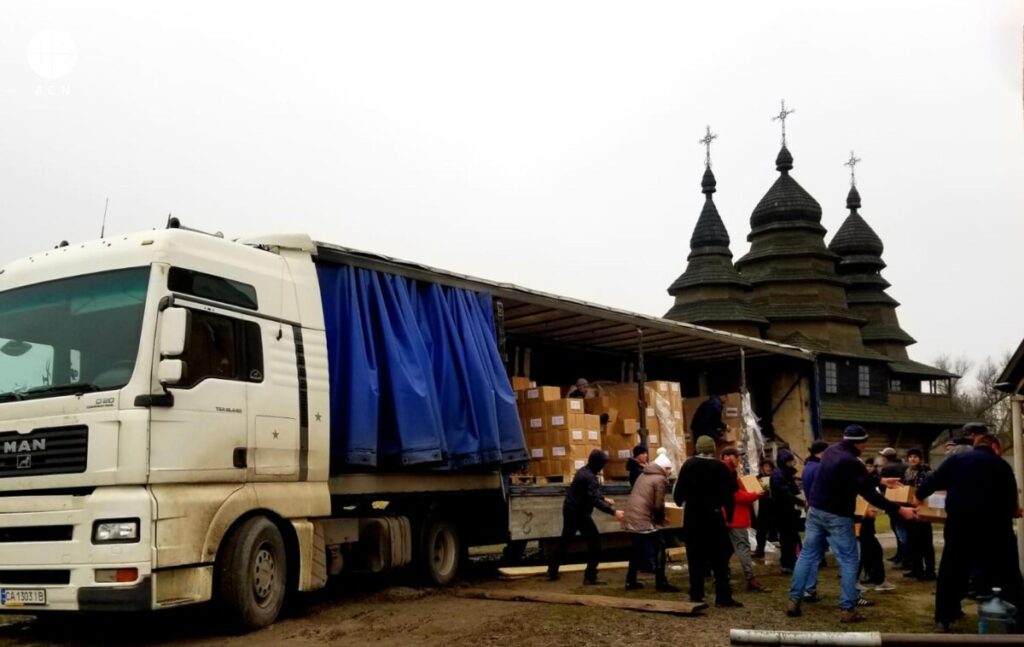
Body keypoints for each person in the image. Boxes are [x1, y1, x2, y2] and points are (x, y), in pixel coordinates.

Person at [786, 424, 918, 623]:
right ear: (861, 443)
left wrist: (881, 481)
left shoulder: (831, 451)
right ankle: (848, 608)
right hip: (837, 516)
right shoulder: (851, 461)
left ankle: (794, 600)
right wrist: (900, 509)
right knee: (849, 560)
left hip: (815, 510)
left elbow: (853, 478)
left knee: (807, 555)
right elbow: (868, 493)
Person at [916, 433, 1024, 633]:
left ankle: (942, 619)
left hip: (960, 525)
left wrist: (918, 498)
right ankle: (1017, 617)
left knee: (951, 571)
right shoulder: (1002, 466)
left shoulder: (956, 460)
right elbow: (1011, 502)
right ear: (994, 446)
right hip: (995, 527)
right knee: (1007, 572)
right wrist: (1013, 511)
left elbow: (931, 482)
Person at [674, 435, 742, 607]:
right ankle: (722, 596)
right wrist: (730, 517)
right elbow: (730, 495)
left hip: (693, 517)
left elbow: (678, 496)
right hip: (714, 517)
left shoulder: (688, 465)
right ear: (712, 449)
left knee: (695, 557)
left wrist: (683, 500)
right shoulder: (720, 467)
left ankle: (696, 594)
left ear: (697, 448)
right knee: (719, 559)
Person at [548, 449, 625, 584]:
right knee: (595, 543)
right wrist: (613, 512)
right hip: (579, 513)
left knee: (566, 540)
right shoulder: (589, 477)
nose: (603, 467)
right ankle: (590, 577)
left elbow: (590, 493)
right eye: (602, 464)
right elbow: (594, 500)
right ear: (598, 463)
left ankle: (552, 569)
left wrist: (603, 497)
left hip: (570, 509)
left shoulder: (584, 471)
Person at [623, 453, 679, 592]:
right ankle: (661, 582)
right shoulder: (660, 479)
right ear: (663, 468)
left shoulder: (643, 474)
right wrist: (660, 519)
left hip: (631, 514)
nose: (669, 472)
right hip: (642, 518)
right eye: (668, 469)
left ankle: (630, 580)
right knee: (660, 545)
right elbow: (658, 504)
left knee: (637, 548)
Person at [720, 447, 768, 592]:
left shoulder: (726, 472)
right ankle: (751, 579)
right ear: (727, 457)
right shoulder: (726, 473)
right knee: (743, 549)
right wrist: (755, 494)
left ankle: (721, 577)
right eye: (736, 456)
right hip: (736, 517)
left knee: (726, 550)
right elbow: (735, 496)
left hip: (726, 517)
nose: (738, 459)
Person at [858, 457, 893, 592]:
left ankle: (875, 578)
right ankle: (874, 580)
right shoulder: (862, 484)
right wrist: (867, 512)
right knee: (867, 551)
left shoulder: (865, 483)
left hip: (862, 524)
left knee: (869, 551)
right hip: (862, 523)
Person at [901, 448, 935, 581]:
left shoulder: (927, 472)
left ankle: (930, 570)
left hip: (923, 508)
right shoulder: (908, 472)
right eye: (910, 457)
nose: (912, 459)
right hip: (909, 509)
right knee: (912, 541)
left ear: (920, 459)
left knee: (925, 542)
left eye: (915, 457)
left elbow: (929, 489)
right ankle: (916, 568)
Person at [771, 449, 803, 575]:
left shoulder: (783, 474)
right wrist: (799, 500)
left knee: (790, 537)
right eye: (790, 461)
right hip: (783, 511)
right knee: (787, 538)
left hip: (786, 511)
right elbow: (785, 493)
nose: (792, 464)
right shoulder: (780, 475)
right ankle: (788, 562)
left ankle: (790, 561)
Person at [879, 447, 909, 568]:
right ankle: (901, 555)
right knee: (903, 529)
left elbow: (881, 486)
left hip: (892, 500)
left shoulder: (886, 468)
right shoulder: (906, 466)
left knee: (898, 529)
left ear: (886, 457)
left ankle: (904, 557)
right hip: (905, 500)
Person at [753, 458, 776, 558]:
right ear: (762, 468)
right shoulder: (758, 478)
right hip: (763, 507)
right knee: (761, 531)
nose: (768, 468)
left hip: (775, 507)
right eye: (766, 466)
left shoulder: (776, 477)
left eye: (770, 466)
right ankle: (760, 550)